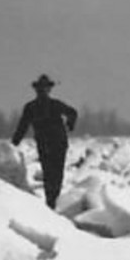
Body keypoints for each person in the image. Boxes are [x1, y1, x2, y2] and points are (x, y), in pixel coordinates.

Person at [11, 73, 79, 210]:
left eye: (44, 88)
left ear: (48, 90)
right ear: (37, 90)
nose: (42, 91)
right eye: (40, 88)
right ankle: (51, 202)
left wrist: (70, 125)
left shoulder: (50, 105)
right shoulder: (32, 107)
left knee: (54, 174)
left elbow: (73, 113)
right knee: (51, 174)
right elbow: (22, 127)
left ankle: (52, 202)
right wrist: (13, 144)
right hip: (47, 144)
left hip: (57, 144)